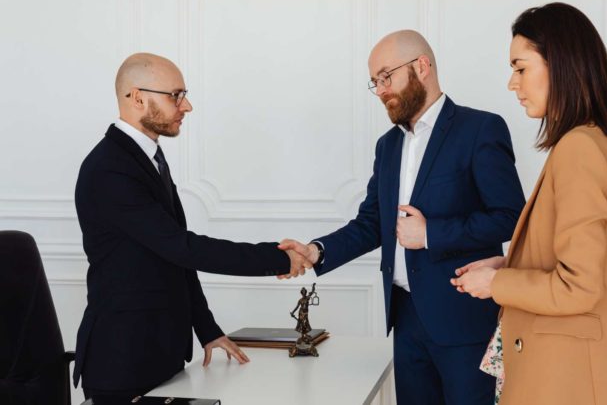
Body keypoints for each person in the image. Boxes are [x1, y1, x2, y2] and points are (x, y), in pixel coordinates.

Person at [279, 30, 525, 405]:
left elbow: (510, 216)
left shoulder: (480, 129)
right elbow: (371, 223)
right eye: (374, 82)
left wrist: (431, 234)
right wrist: (316, 251)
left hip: (464, 322)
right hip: (405, 320)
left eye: (385, 76)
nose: (380, 90)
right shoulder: (388, 145)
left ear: (421, 67)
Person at [73, 53, 311, 401]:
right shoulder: (110, 168)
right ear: (138, 97)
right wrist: (277, 258)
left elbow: (174, 259)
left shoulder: (147, 157)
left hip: (160, 355)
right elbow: (183, 247)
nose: (187, 106)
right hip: (122, 362)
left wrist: (208, 330)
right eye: (176, 95)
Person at [451, 2, 607, 405]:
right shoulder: (598, 141)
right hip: (580, 367)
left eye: (521, 68)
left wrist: (496, 284)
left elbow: (579, 286)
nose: (512, 84)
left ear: (562, 64)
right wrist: (508, 263)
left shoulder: (578, 150)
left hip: (566, 376)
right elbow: (590, 262)